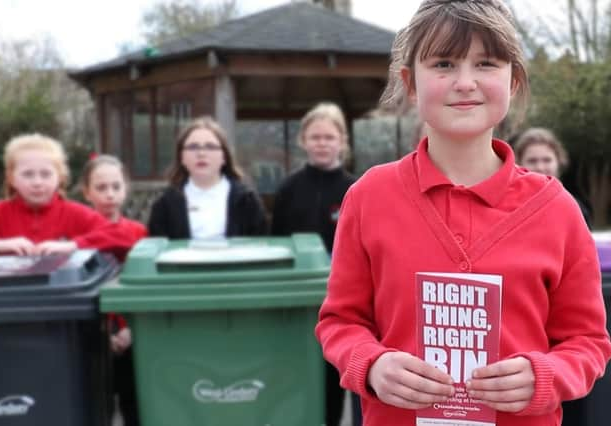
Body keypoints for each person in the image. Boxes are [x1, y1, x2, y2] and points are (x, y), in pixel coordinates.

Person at [314, 1, 611, 426]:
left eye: (486, 63)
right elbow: (340, 322)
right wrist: (371, 365)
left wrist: (545, 376)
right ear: (410, 83)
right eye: (444, 63)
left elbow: (587, 342)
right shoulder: (368, 198)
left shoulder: (558, 211)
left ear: (513, 82)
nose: (465, 82)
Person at [271, 102, 357, 426]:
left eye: (329, 137)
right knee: (295, 380)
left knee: (333, 380)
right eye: (315, 137)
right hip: (296, 303)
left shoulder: (355, 189)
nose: (322, 143)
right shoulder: (288, 190)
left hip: (342, 303)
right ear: (303, 141)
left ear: (342, 142)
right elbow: (276, 242)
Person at [0, 133, 136, 257]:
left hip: (64, 297)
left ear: (60, 177)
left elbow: (123, 237)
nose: (37, 182)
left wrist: (74, 245)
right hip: (9, 296)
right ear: (11, 178)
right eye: (27, 174)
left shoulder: (75, 213)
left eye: (46, 174)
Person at [81, 154, 146, 426]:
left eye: (116, 187)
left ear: (126, 188)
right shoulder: (77, 236)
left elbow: (144, 284)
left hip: (133, 331)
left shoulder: (139, 232)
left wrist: (132, 328)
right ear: (86, 192)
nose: (110, 195)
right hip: (92, 333)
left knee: (135, 403)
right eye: (101, 187)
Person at [148, 116, 267, 238]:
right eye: (193, 147)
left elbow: (260, 245)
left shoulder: (247, 200)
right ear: (181, 157)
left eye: (210, 147)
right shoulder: (164, 203)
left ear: (224, 157)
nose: (201, 153)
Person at [514, 127, 592, 227]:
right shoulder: (509, 208)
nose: (540, 167)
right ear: (519, 163)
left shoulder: (575, 209)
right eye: (532, 161)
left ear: (559, 161)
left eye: (547, 160)